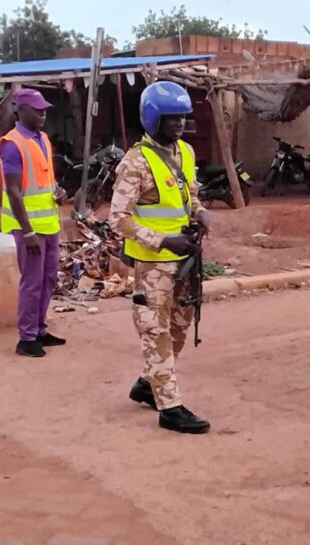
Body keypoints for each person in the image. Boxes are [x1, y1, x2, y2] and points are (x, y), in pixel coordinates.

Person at [109, 81, 211, 434]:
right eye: (171, 119)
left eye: (183, 118)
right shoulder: (135, 162)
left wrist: (199, 213)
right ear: (153, 119)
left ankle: (145, 384)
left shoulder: (185, 152)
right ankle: (170, 407)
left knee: (180, 329)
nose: (179, 125)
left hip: (184, 261)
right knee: (157, 331)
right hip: (152, 264)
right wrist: (162, 240)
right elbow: (117, 218)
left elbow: (190, 195)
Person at [0, 88, 66, 358]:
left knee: (48, 279)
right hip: (29, 229)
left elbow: (45, 179)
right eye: (37, 109)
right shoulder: (12, 143)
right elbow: (13, 191)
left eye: (44, 109)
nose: (43, 114)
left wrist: (58, 191)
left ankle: (39, 329)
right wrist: (27, 232)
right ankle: (26, 338)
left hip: (49, 224)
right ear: (20, 110)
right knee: (32, 282)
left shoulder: (44, 139)